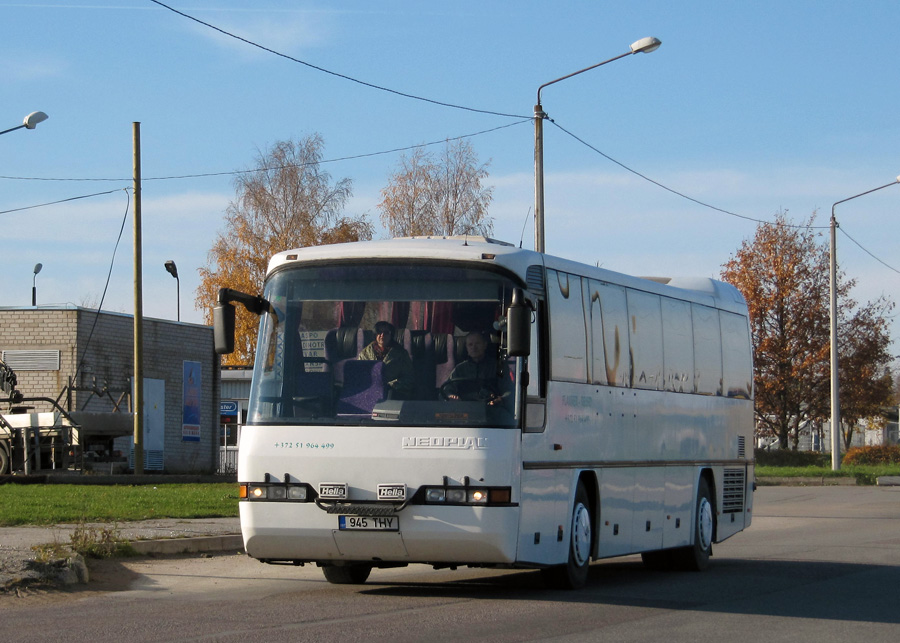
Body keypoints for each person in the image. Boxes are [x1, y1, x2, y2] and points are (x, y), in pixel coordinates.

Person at [443, 331, 510, 405]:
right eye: (470, 345)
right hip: (465, 409)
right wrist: (450, 396)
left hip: (491, 408)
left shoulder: (497, 366)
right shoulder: (460, 369)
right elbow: (446, 390)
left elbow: (509, 390)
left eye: (477, 343)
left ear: (485, 345)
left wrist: (501, 399)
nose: (474, 347)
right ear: (467, 348)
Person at [358, 321, 415, 399]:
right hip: (369, 393)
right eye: (379, 332)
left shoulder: (401, 354)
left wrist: (391, 385)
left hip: (393, 394)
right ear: (375, 334)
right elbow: (359, 375)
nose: (382, 335)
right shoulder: (365, 353)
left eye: (386, 332)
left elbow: (409, 377)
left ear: (391, 335)